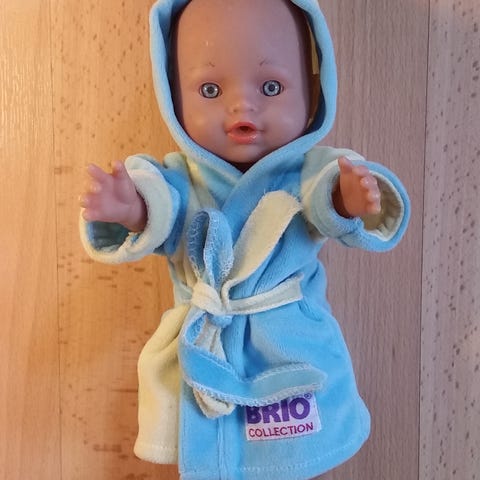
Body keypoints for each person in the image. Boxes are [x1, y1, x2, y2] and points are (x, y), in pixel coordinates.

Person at [79, 1, 410, 478]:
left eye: (270, 87)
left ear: (314, 89)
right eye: (210, 90)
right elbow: (159, 205)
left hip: (288, 345)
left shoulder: (308, 172)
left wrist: (346, 198)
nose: (242, 107)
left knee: (295, 457)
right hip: (203, 346)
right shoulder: (178, 178)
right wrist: (132, 208)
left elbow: (324, 197)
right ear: (173, 96)